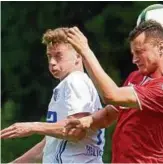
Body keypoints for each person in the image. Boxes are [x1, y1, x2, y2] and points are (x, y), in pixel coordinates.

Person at [63, 20, 163, 163]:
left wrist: (85, 51)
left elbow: (111, 95)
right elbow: (111, 112)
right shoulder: (136, 76)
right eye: (133, 53)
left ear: (161, 48)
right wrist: (89, 120)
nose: (134, 59)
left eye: (139, 52)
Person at [0, 27, 105, 163]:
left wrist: (33, 127)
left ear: (78, 56)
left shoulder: (76, 81)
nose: (52, 62)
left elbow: (76, 132)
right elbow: (46, 148)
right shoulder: (65, 86)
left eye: (58, 55)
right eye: (49, 56)